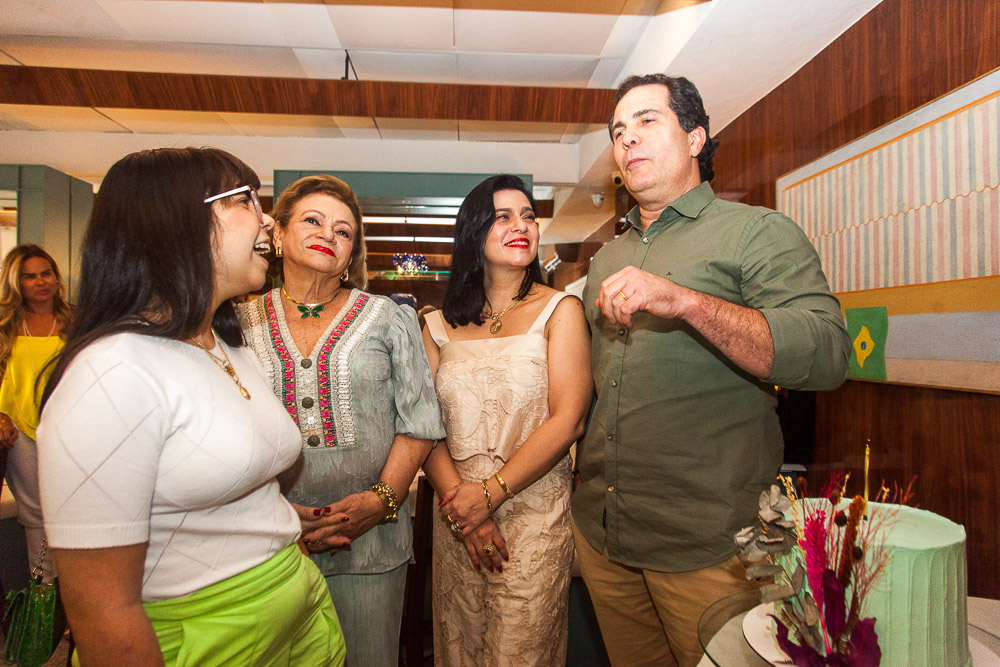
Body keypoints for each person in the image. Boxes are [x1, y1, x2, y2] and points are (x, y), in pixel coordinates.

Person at [572, 74, 851, 667]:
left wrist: (687, 302)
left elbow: (828, 354)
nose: (627, 139)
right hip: (606, 536)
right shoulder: (606, 260)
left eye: (647, 121)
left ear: (696, 138)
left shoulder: (755, 232)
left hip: (719, 545)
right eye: (618, 131)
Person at [36, 148, 345, 666]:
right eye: (245, 201)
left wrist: (271, 527)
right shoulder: (111, 373)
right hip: (205, 641)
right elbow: (103, 612)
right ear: (176, 220)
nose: (268, 220)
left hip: (299, 620)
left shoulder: (227, 347)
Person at [240, 174, 444, 667]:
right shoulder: (236, 322)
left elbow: (420, 420)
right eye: (312, 221)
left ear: (353, 254)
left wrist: (382, 501)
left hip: (371, 542)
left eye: (343, 231)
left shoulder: (389, 317)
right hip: (265, 539)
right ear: (278, 233)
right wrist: (274, 514)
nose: (327, 234)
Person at [421, 174, 592, 666]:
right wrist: (465, 512)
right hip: (456, 517)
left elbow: (569, 419)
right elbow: (423, 427)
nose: (521, 226)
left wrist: (490, 495)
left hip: (532, 520)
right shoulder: (435, 325)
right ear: (473, 233)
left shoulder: (560, 310)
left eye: (529, 216)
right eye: (503, 217)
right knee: (460, 649)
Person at [0, 244, 72, 581]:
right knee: (36, 515)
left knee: (71, 509)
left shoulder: (77, 320)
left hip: (71, 429)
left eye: (46, 274)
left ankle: (75, 594)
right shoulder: (5, 325)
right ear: (16, 283)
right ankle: (43, 594)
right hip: (18, 431)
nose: (41, 282)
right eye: (30, 277)